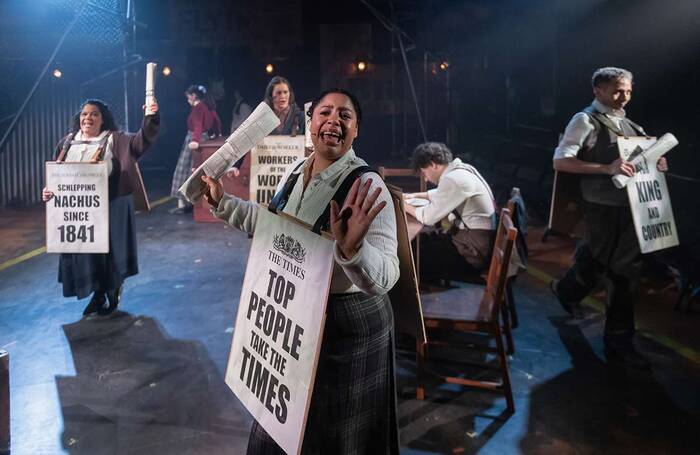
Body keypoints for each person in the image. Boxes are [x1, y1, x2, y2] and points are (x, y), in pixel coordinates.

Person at [201, 88, 400, 454]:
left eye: (345, 115)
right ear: (311, 123)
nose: (333, 121)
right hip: (293, 316)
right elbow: (270, 223)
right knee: (280, 429)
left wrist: (353, 251)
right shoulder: (296, 171)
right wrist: (221, 202)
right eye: (325, 112)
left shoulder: (369, 187)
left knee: (336, 439)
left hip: (345, 326)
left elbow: (387, 277)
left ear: (356, 130)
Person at [550, 67, 668, 369]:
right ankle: (567, 290)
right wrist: (606, 169)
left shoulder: (631, 124)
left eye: (628, 90)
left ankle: (619, 341)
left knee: (623, 271)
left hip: (633, 206)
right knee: (601, 262)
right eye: (617, 90)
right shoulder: (585, 120)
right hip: (601, 205)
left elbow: (639, 162)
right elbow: (561, 161)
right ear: (598, 90)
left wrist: (656, 163)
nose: (624, 97)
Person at [42, 98, 160, 316]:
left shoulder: (115, 139)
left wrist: (150, 118)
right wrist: (49, 191)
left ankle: (111, 290)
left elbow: (141, 141)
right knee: (86, 254)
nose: (88, 118)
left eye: (94, 114)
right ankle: (97, 293)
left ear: (103, 119)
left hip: (111, 204)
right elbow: (57, 175)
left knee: (108, 254)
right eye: (84, 114)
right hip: (79, 209)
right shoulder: (67, 142)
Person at [403, 142, 496, 283]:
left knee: (410, 258)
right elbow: (445, 193)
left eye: (424, 172)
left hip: (472, 253)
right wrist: (415, 195)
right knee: (418, 243)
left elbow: (427, 217)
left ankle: (417, 297)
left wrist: (403, 205)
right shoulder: (461, 170)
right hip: (475, 243)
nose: (426, 178)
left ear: (433, 164)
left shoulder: (454, 179)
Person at [227, 76, 305, 177]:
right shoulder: (262, 118)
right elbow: (246, 140)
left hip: (293, 176)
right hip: (266, 177)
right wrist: (235, 166)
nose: (283, 96)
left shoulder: (300, 117)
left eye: (285, 92)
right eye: (279, 92)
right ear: (271, 95)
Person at [170, 84, 222, 212]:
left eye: (188, 97)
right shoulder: (208, 107)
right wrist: (217, 133)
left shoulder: (198, 108)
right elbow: (217, 121)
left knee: (183, 170)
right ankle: (191, 202)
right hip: (204, 139)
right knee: (194, 170)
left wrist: (194, 140)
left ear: (193, 96)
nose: (188, 100)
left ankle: (182, 203)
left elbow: (198, 125)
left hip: (195, 138)